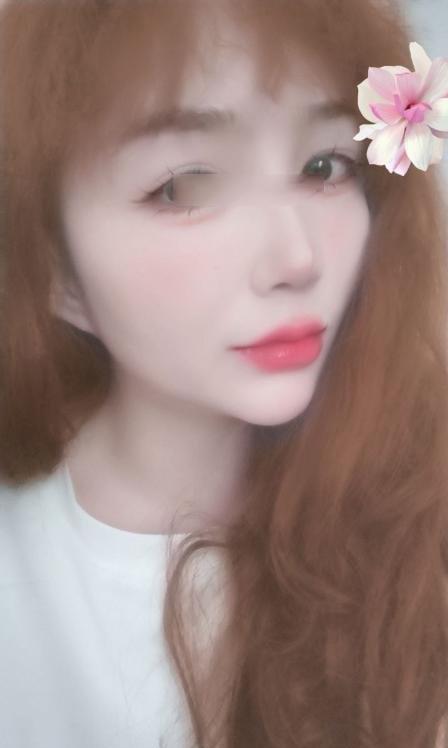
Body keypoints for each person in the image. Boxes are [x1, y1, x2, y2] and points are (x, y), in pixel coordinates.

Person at [0, 0, 447, 746]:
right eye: (187, 185)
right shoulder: (22, 584)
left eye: (323, 166)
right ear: (54, 269)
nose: (296, 258)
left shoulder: (415, 493)